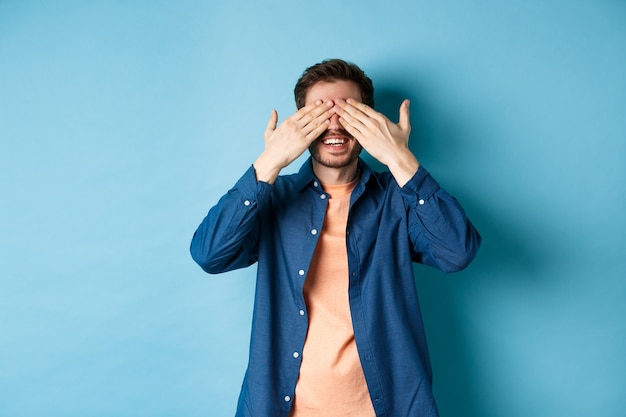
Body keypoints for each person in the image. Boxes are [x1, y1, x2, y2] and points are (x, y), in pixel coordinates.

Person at [190, 59, 481, 417]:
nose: (335, 125)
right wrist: (268, 163)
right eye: (319, 114)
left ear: (370, 122)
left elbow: (458, 251)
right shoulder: (272, 197)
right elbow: (209, 254)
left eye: (349, 112)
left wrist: (400, 159)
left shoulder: (398, 199)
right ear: (300, 126)